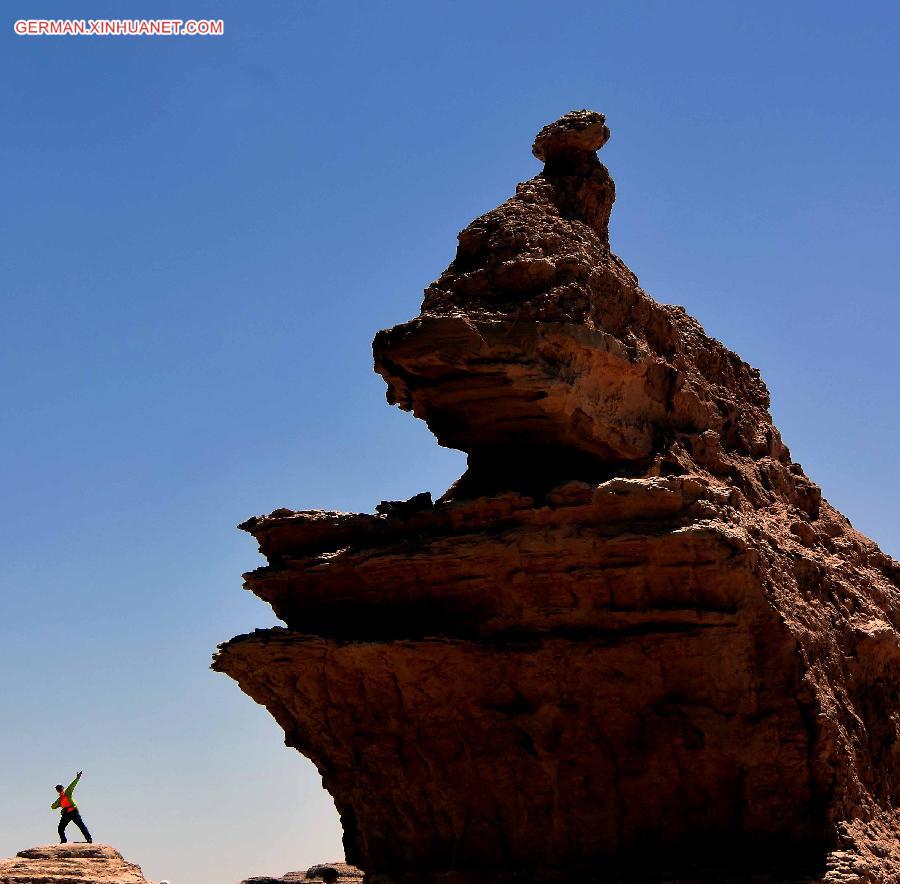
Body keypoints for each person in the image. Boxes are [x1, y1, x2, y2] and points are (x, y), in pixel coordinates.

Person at [52, 770, 92, 843]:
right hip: (66, 814)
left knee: (81, 825)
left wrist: (77, 778)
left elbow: (72, 785)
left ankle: (89, 839)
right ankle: (63, 840)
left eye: (60, 788)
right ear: (57, 791)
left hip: (73, 811)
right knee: (60, 828)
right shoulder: (60, 799)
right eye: (58, 789)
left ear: (62, 788)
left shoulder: (67, 792)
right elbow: (53, 807)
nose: (59, 790)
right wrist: (57, 803)